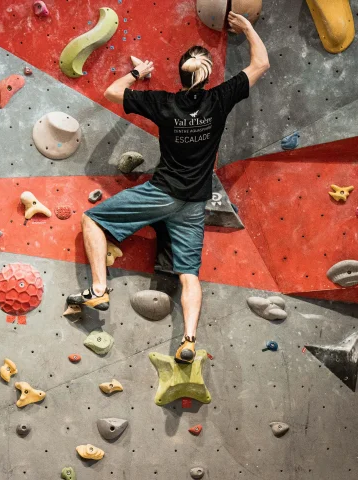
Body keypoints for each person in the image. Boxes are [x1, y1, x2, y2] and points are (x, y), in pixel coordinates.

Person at [67, 12, 270, 363]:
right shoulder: (219, 100)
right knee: (189, 274)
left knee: (93, 221)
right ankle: (189, 340)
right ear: (206, 76)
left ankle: (99, 291)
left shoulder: (163, 103)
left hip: (161, 194)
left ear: (180, 74)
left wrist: (138, 74)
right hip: (194, 204)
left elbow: (113, 92)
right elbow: (261, 63)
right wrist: (249, 28)